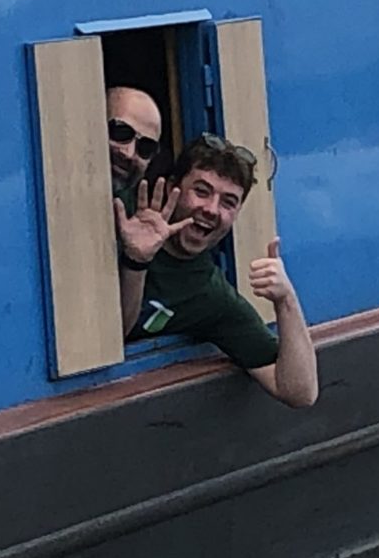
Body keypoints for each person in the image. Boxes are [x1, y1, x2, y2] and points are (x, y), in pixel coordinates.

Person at [114, 134, 319, 409]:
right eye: (201, 191)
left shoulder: (210, 295)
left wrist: (286, 300)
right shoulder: (119, 214)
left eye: (228, 202)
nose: (211, 209)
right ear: (174, 187)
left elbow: (300, 391)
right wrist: (135, 258)